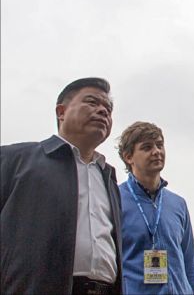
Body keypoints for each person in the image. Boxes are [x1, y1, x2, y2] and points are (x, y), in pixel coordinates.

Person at [0, 77, 122, 295]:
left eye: (108, 109)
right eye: (92, 102)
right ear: (61, 112)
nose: (103, 111)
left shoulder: (109, 177)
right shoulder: (14, 160)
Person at [117, 121, 194, 295]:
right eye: (147, 147)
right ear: (128, 157)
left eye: (160, 145)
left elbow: (189, 262)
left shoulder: (178, 204)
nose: (157, 151)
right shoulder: (115, 199)